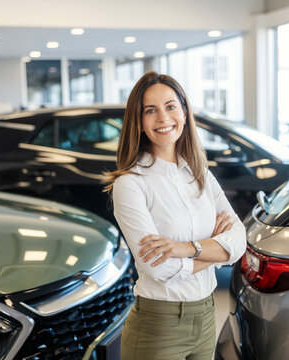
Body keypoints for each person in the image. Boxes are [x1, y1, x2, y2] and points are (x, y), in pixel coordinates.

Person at [103, 71, 246, 360]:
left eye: (170, 106)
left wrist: (186, 249)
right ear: (139, 122)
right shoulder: (130, 183)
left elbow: (239, 240)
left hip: (206, 316)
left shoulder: (200, 174)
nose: (163, 118)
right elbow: (159, 269)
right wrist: (215, 250)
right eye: (150, 110)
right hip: (159, 324)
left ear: (184, 112)